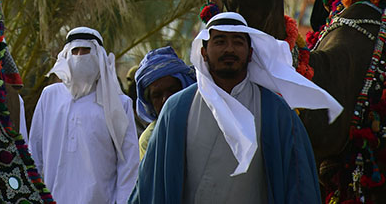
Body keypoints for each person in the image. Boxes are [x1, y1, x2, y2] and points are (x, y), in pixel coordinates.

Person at [129, 12, 343, 204]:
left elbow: (299, 183)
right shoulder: (177, 109)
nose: (229, 49)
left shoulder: (275, 112)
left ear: (250, 53)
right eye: (220, 41)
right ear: (203, 52)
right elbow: (150, 183)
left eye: (237, 42)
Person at [29, 27, 139, 204]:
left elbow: (128, 162)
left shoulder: (118, 103)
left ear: (98, 56)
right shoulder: (49, 96)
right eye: (75, 51)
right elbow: (34, 152)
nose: (79, 56)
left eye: (86, 51)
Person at [134, 46, 196, 159]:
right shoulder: (150, 139)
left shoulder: (204, 122)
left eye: (173, 91)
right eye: (157, 96)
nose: (166, 100)